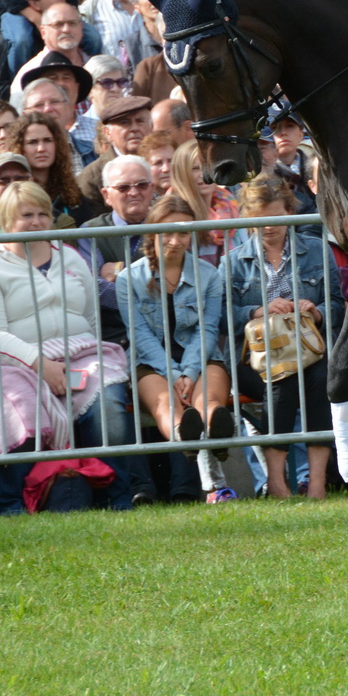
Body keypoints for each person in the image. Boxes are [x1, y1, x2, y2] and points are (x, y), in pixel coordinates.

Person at [0, 180, 132, 513]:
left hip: (82, 355)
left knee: (109, 406)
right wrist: (40, 364)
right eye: (27, 215)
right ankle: (14, 505)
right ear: (5, 218)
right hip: (14, 365)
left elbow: (90, 318)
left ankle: (117, 499)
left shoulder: (70, 258)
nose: (37, 222)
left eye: (43, 213)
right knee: (20, 411)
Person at [224, 173, 341, 498]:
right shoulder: (232, 261)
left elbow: (338, 304)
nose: (270, 225)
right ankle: (277, 481)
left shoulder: (317, 250)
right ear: (247, 217)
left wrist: (315, 310)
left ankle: (316, 482)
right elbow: (221, 316)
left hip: (309, 350)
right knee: (282, 378)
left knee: (320, 378)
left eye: (276, 216)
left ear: (289, 212)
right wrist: (257, 311)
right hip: (254, 360)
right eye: (260, 218)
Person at [124, 193, 235, 502]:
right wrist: (173, 372)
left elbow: (208, 328)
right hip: (151, 361)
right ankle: (184, 436)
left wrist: (189, 369)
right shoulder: (128, 279)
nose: (175, 240)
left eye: (183, 232)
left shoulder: (209, 275)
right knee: (165, 404)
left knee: (209, 401)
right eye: (168, 231)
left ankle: (216, 428)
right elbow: (140, 336)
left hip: (201, 357)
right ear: (153, 231)